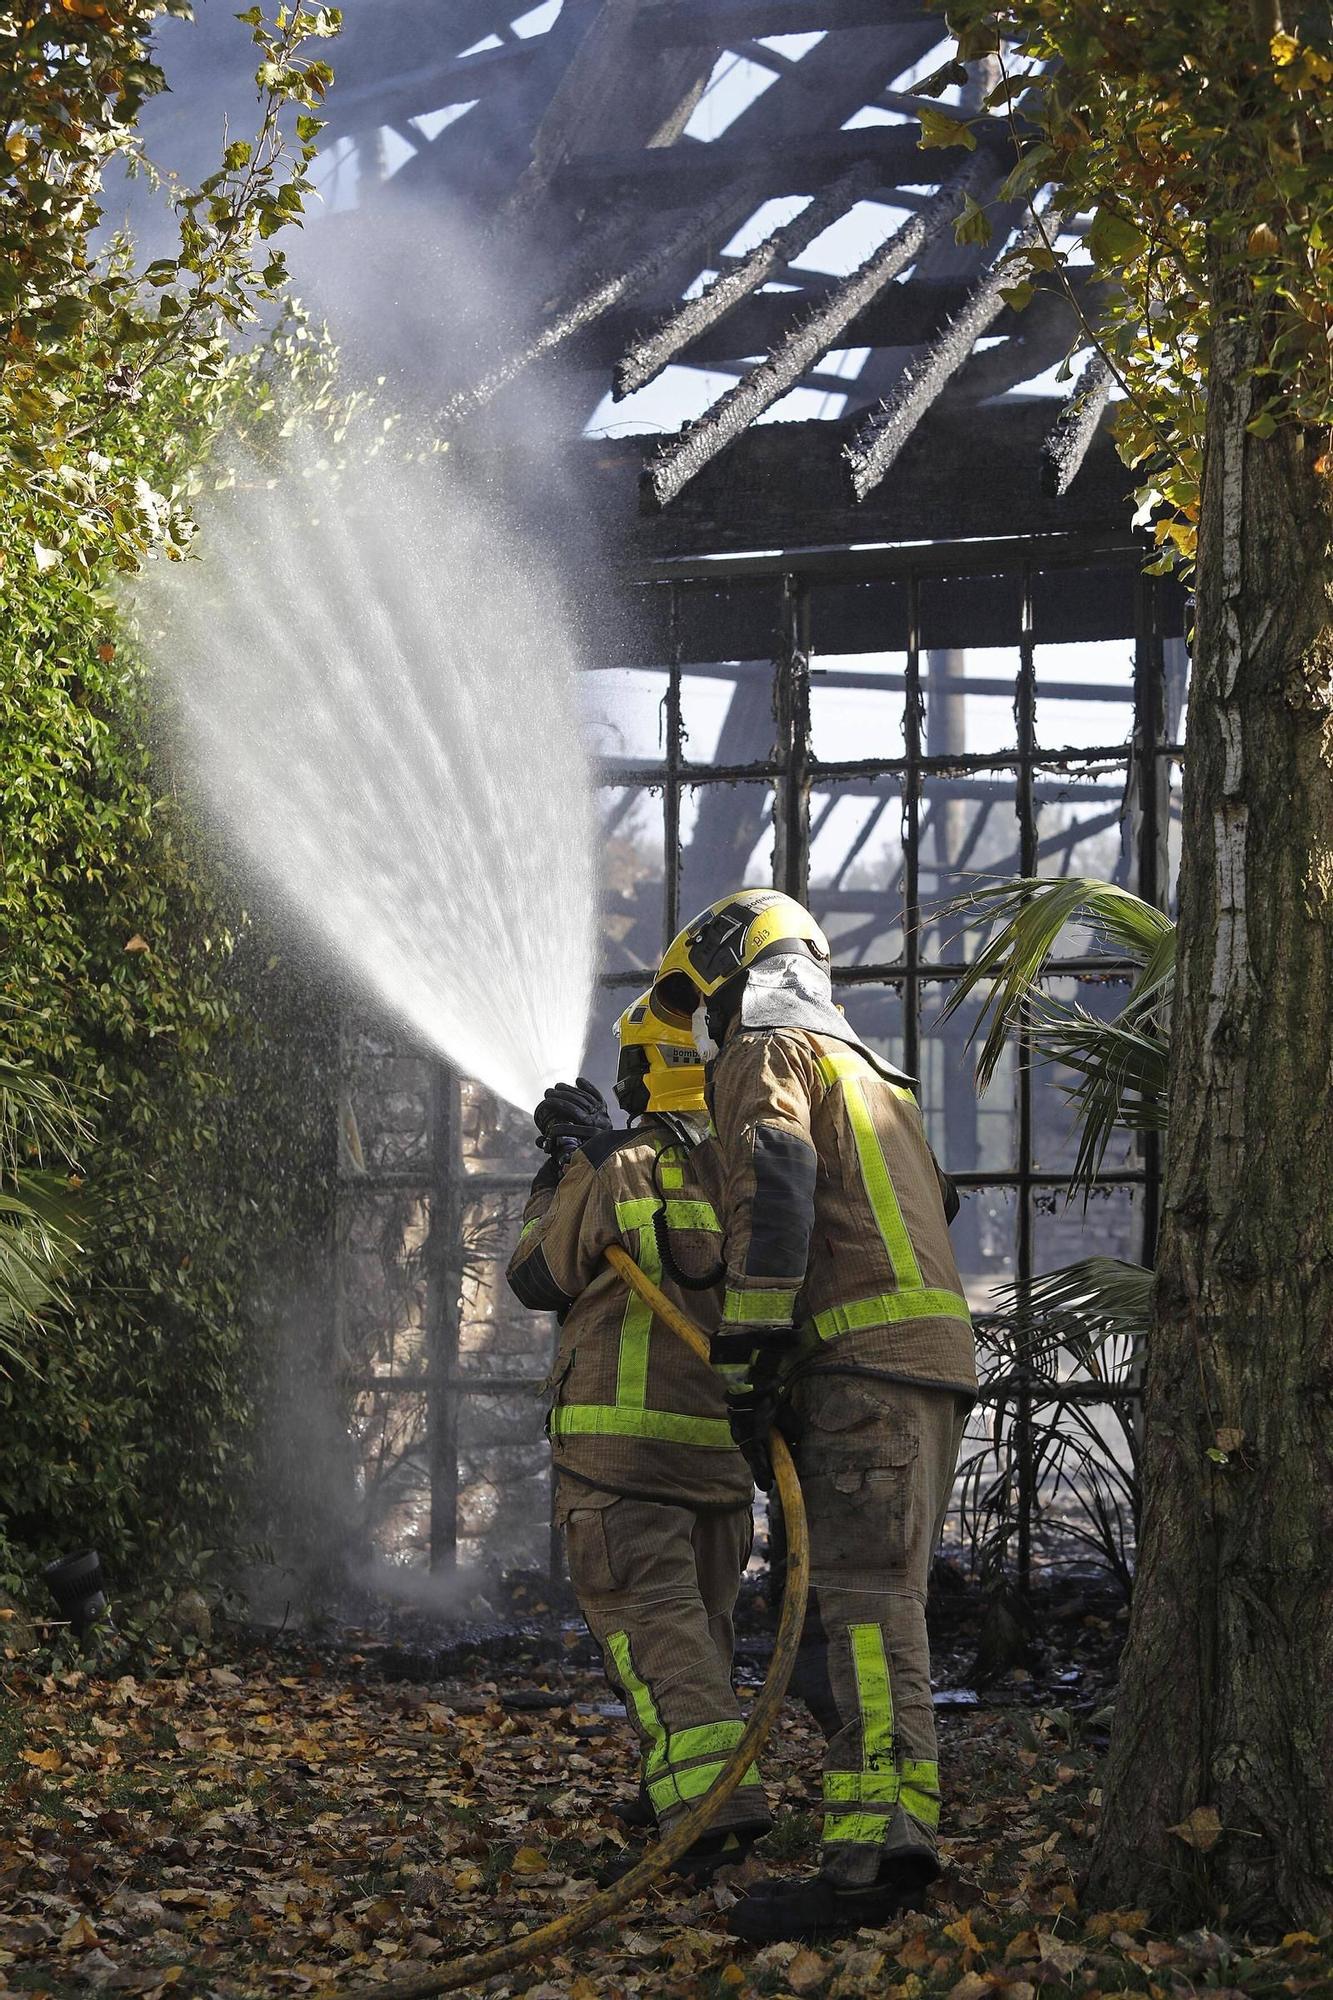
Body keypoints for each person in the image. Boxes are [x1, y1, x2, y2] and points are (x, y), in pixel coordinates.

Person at [651, 888, 977, 1940]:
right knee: (864, 1607)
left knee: (869, 1611)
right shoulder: (873, 1071)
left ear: (729, 976)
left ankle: (873, 1859)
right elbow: (943, 1204)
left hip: (861, 1368)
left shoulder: (765, 1048)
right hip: (926, 1363)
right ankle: (879, 1811)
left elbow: (781, 1170)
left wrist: (748, 1344)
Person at [506, 989, 771, 1877]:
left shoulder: (618, 1164)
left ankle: (709, 1813)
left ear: (638, 1076)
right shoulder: (746, 1168)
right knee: (699, 1633)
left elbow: (536, 1275)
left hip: (620, 1458)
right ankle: (685, 1782)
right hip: (720, 1458)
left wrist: (560, 1170)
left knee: (654, 1631)